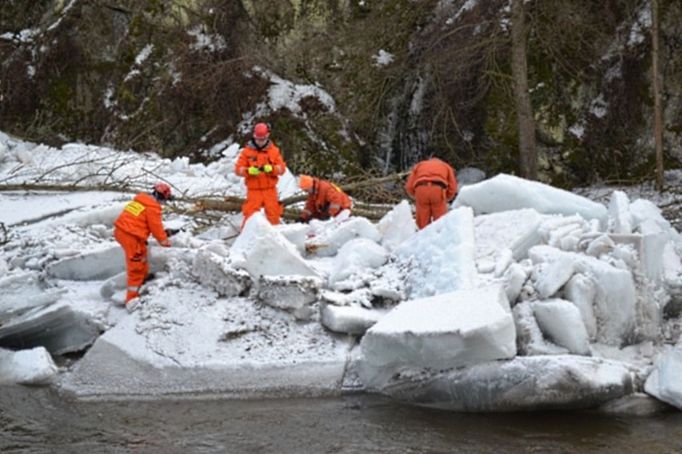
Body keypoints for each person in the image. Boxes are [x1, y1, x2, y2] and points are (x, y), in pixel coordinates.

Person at [114, 182, 172, 312]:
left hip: (122, 231)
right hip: (130, 236)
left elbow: (137, 221)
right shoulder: (153, 207)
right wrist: (166, 244)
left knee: (142, 254)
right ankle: (131, 299)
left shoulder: (140, 201)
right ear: (162, 197)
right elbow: (156, 230)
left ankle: (144, 278)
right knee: (136, 267)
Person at [234, 122, 286, 228]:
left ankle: (276, 239)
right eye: (258, 139)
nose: (260, 142)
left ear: (267, 136)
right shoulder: (246, 152)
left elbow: (282, 169)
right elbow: (238, 169)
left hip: (270, 190)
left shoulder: (274, 151)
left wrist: (272, 169)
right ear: (254, 137)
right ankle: (246, 239)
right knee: (250, 215)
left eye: (263, 139)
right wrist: (248, 171)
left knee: (274, 214)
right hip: (254, 190)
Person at [405, 157, 458, 229]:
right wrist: (447, 196)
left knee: (423, 220)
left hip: (421, 188)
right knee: (440, 220)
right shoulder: (446, 166)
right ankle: (439, 234)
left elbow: (409, 186)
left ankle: (423, 235)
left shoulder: (420, 165)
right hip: (438, 189)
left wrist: (416, 195)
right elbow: (453, 186)